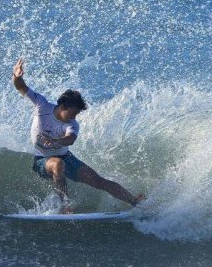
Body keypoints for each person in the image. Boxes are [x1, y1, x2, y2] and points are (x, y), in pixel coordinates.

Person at [12, 58, 145, 211]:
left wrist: (57, 140)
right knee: (57, 164)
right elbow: (21, 87)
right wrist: (17, 76)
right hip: (42, 160)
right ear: (63, 106)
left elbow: (71, 139)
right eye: (73, 112)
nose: (75, 117)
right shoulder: (42, 105)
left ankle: (134, 201)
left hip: (67, 158)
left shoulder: (72, 124)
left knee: (98, 181)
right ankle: (65, 206)